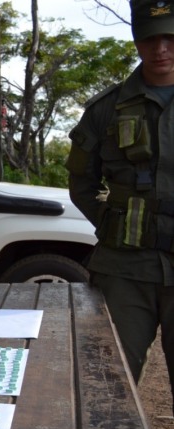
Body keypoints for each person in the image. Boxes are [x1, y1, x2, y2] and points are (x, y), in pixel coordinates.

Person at [66, 0, 174, 405]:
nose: (160, 48)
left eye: (169, 36)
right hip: (125, 270)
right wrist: (118, 222)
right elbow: (81, 181)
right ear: (137, 40)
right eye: (150, 38)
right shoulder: (106, 109)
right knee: (109, 386)